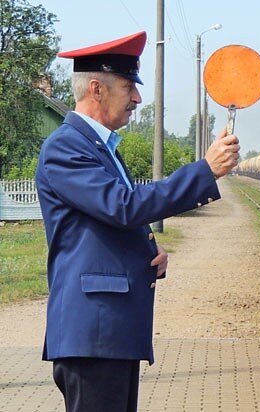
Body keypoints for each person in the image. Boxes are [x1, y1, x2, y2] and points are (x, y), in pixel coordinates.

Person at [34, 31, 240, 412]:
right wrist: (204, 171)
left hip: (111, 332)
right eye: (129, 86)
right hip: (92, 334)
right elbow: (123, 205)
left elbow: (107, 222)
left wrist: (146, 249)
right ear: (96, 89)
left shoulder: (100, 147)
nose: (137, 99)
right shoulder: (66, 147)